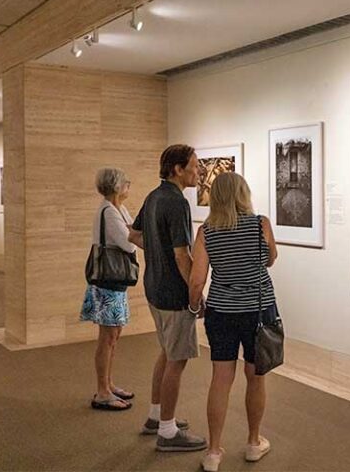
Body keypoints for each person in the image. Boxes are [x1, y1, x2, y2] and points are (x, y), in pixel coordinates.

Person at [188, 173, 279, 472]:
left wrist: (194, 305)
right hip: (258, 310)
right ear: (244, 194)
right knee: (256, 377)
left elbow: (197, 279)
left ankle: (213, 451)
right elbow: (270, 260)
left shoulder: (206, 231)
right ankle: (253, 442)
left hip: (221, 312)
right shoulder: (260, 224)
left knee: (221, 379)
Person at [129, 144, 207, 452]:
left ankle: (155, 416)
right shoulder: (176, 202)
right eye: (194, 165)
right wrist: (195, 292)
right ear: (177, 169)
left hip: (153, 289)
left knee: (166, 352)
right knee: (177, 359)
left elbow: (133, 235)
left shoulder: (153, 196)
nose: (198, 170)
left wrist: (156, 252)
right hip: (174, 294)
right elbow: (181, 254)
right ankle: (168, 431)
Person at [81, 168, 137, 411]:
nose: (129, 185)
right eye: (126, 182)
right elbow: (129, 243)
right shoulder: (109, 212)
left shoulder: (118, 209)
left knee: (114, 336)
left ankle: (109, 383)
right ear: (116, 186)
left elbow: (133, 231)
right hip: (107, 283)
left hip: (115, 282)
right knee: (107, 338)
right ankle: (102, 391)